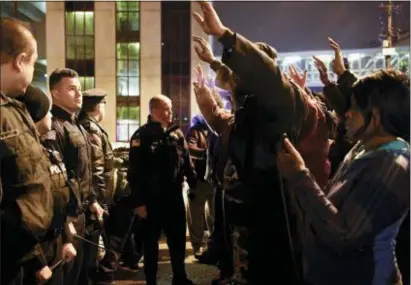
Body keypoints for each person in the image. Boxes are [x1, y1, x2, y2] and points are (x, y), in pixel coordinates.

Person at [277, 69, 410, 285]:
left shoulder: (392, 165)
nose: (346, 113)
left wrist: (299, 175)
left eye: (355, 108)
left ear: (374, 116)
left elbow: (345, 235)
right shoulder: (363, 148)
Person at [0, 17, 54, 285]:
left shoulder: (13, 109)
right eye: (33, 63)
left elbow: (22, 187)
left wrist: (33, 257)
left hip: (17, 255)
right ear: (19, 60)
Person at [128, 95, 197, 285]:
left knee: (177, 241)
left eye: (171, 108)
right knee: (151, 245)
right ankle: (151, 280)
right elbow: (134, 172)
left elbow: (185, 161)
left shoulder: (176, 134)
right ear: (154, 111)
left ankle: (180, 277)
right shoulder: (141, 136)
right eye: (166, 109)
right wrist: (139, 203)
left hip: (174, 197)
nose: (170, 113)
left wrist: (193, 180)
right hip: (151, 200)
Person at [46, 68, 105, 285]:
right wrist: (64, 222)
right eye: (71, 89)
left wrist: (92, 201)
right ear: (55, 93)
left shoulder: (76, 125)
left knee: (81, 274)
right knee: (67, 276)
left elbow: (82, 173)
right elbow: (56, 182)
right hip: (67, 219)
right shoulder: (55, 127)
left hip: (82, 214)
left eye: (79, 89)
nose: (79, 94)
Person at [20, 85, 77, 285]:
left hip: (55, 245)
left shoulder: (48, 149)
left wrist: (67, 238)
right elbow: (21, 212)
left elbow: (58, 196)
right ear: (36, 116)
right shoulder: (25, 156)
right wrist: (36, 261)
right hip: (33, 253)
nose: (51, 117)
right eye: (47, 112)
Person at [185, 115, 215, 258]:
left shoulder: (215, 130)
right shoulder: (194, 131)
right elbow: (190, 147)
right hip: (198, 180)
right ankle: (197, 245)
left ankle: (213, 244)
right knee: (196, 216)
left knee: (213, 215)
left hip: (213, 180)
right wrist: (208, 154)